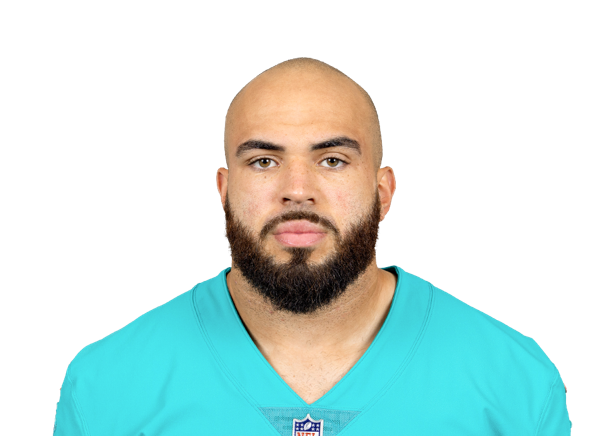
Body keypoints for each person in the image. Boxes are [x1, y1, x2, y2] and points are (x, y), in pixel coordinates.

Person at [53, 58, 572, 435]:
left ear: (384, 191)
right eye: (263, 161)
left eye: (332, 160)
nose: (297, 190)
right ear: (224, 191)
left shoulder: (516, 380)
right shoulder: (106, 382)